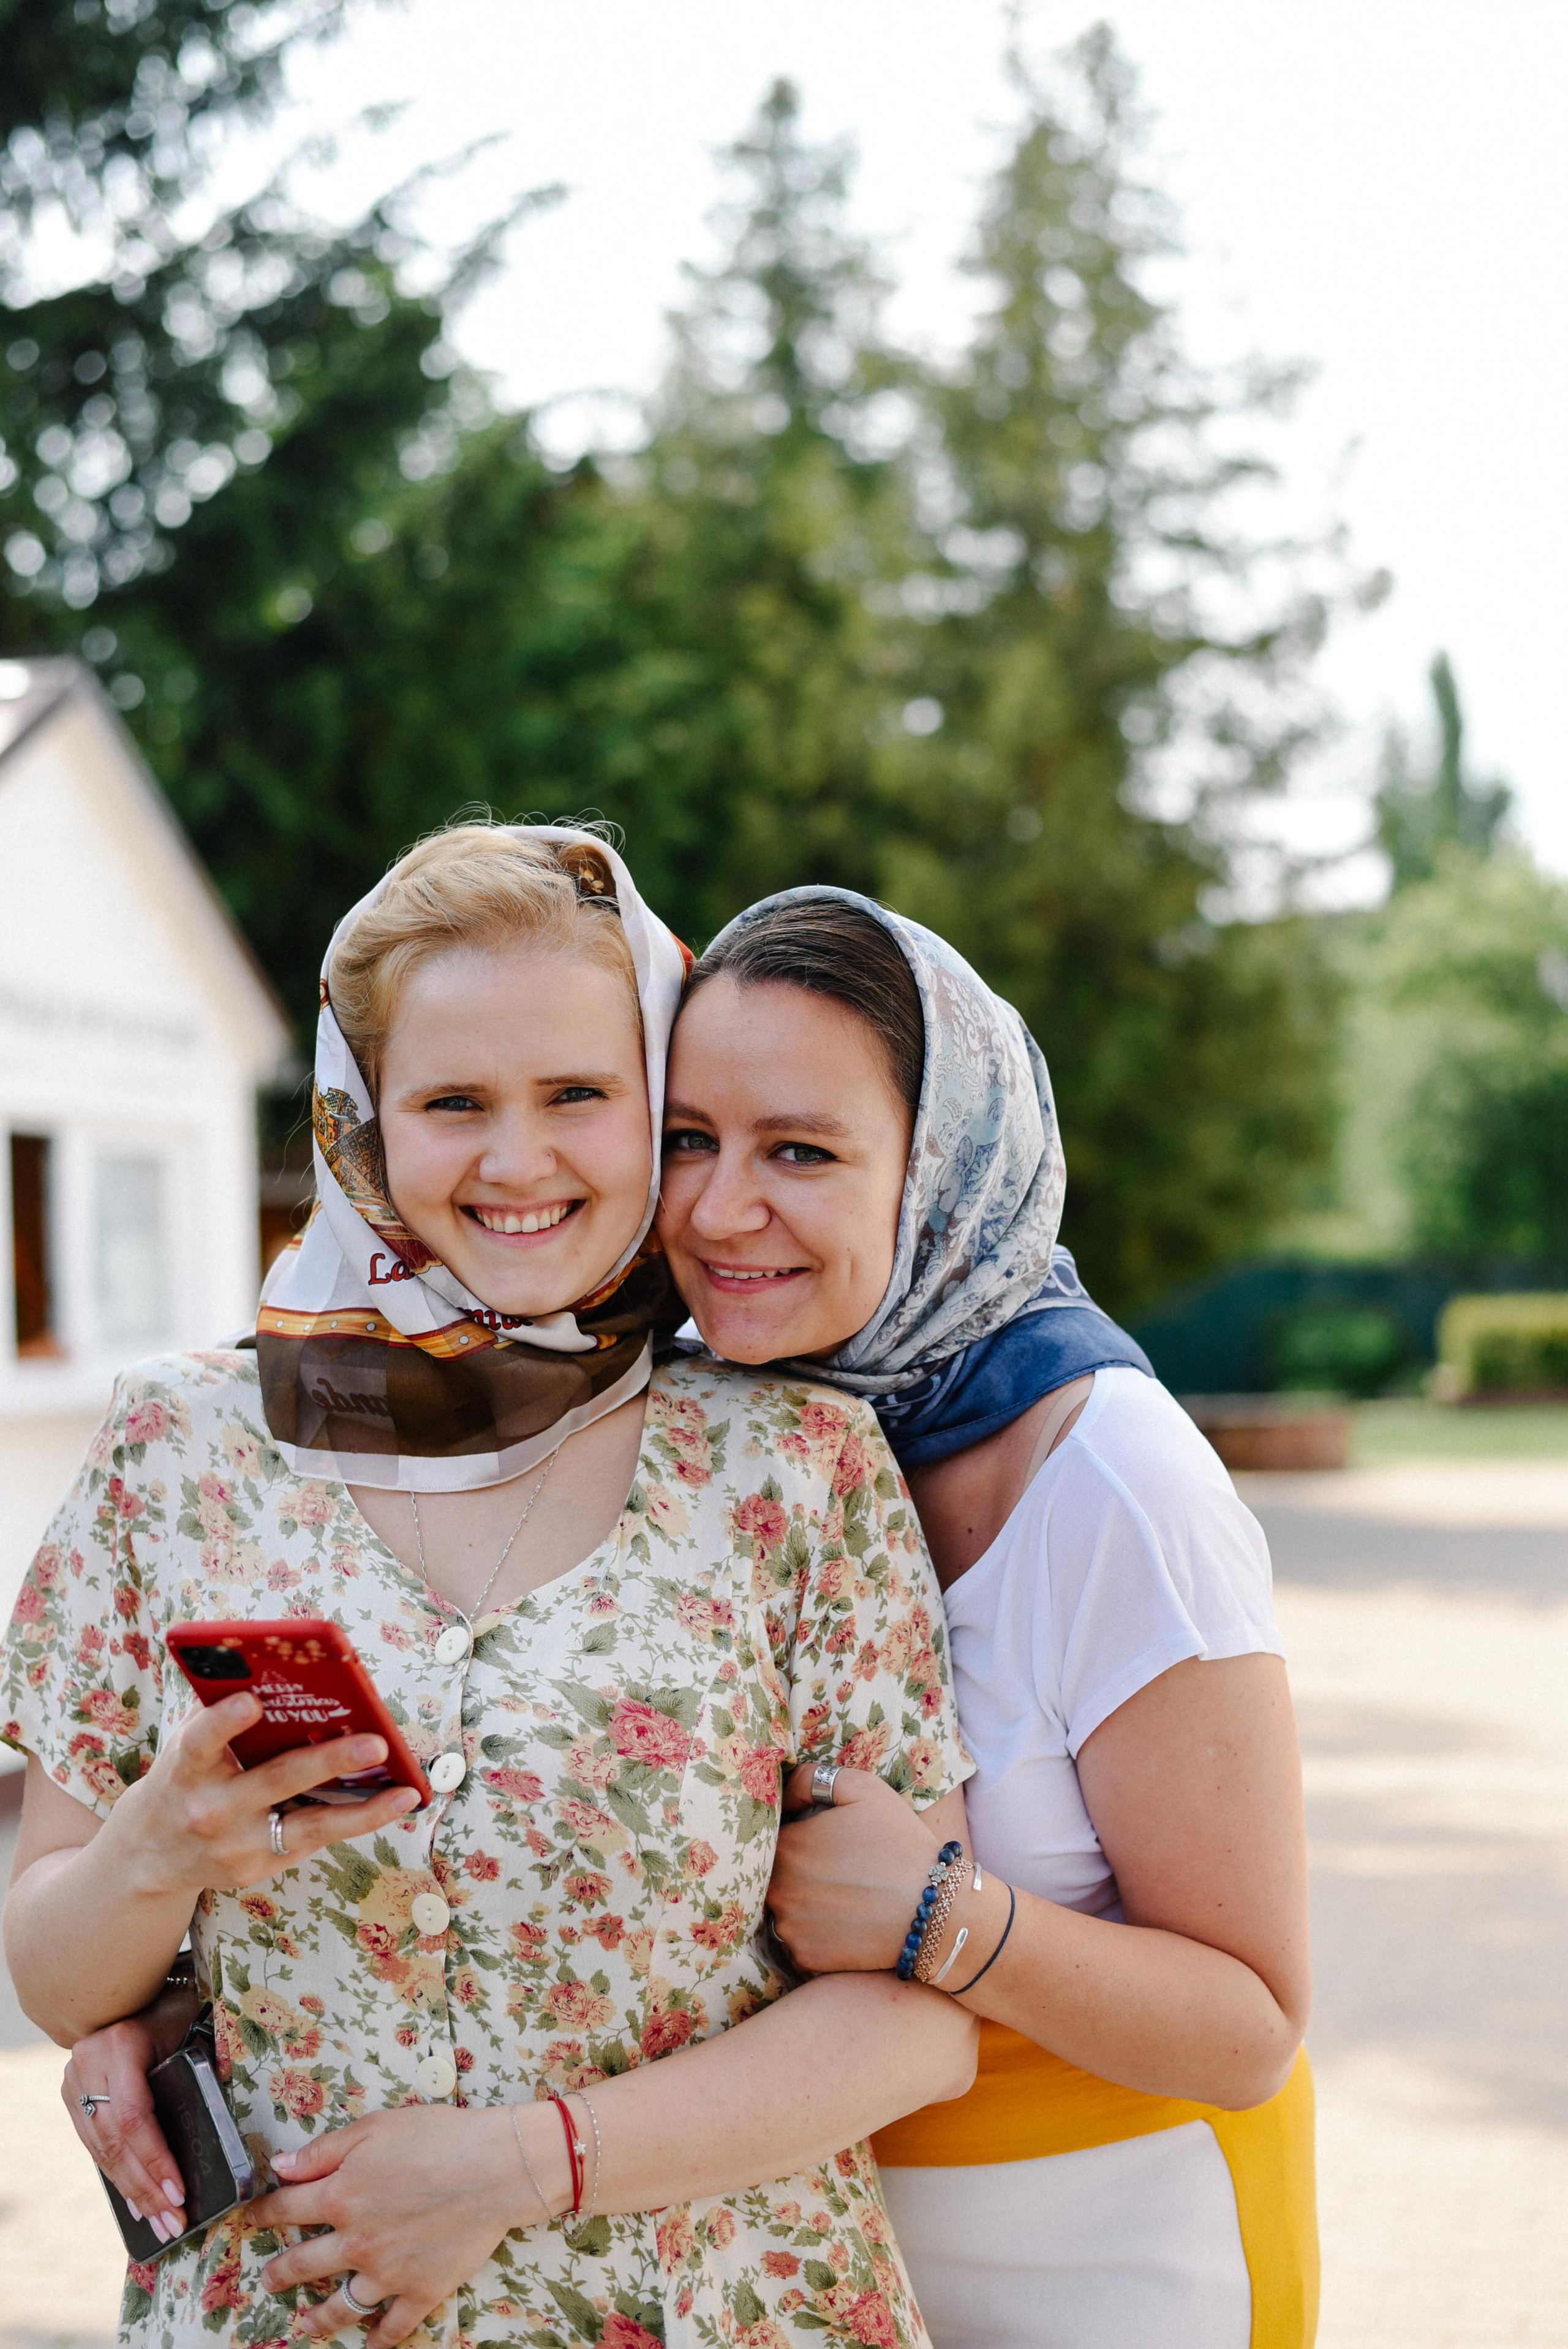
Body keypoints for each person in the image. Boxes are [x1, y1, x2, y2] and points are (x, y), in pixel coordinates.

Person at [1, 829, 976, 2349]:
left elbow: (912, 2024)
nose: (515, 1163)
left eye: (579, 1097)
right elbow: (57, 1980)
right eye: (453, 1103)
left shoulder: (801, 1470)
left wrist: (523, 2169)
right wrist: (153, 1851)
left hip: (717, 2304)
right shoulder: (176, 1451)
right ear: (364, 1123)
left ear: (655, 1109)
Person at [655, 888, 1317, 2349]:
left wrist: (942, 1919)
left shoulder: (1117, 1490)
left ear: (940, 1170)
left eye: (801, 1152)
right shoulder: (695, 1429)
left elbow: (1248, 2023)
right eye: (687, 1138)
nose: (715, 1208)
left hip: (1119, 2248)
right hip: (797, 2259)